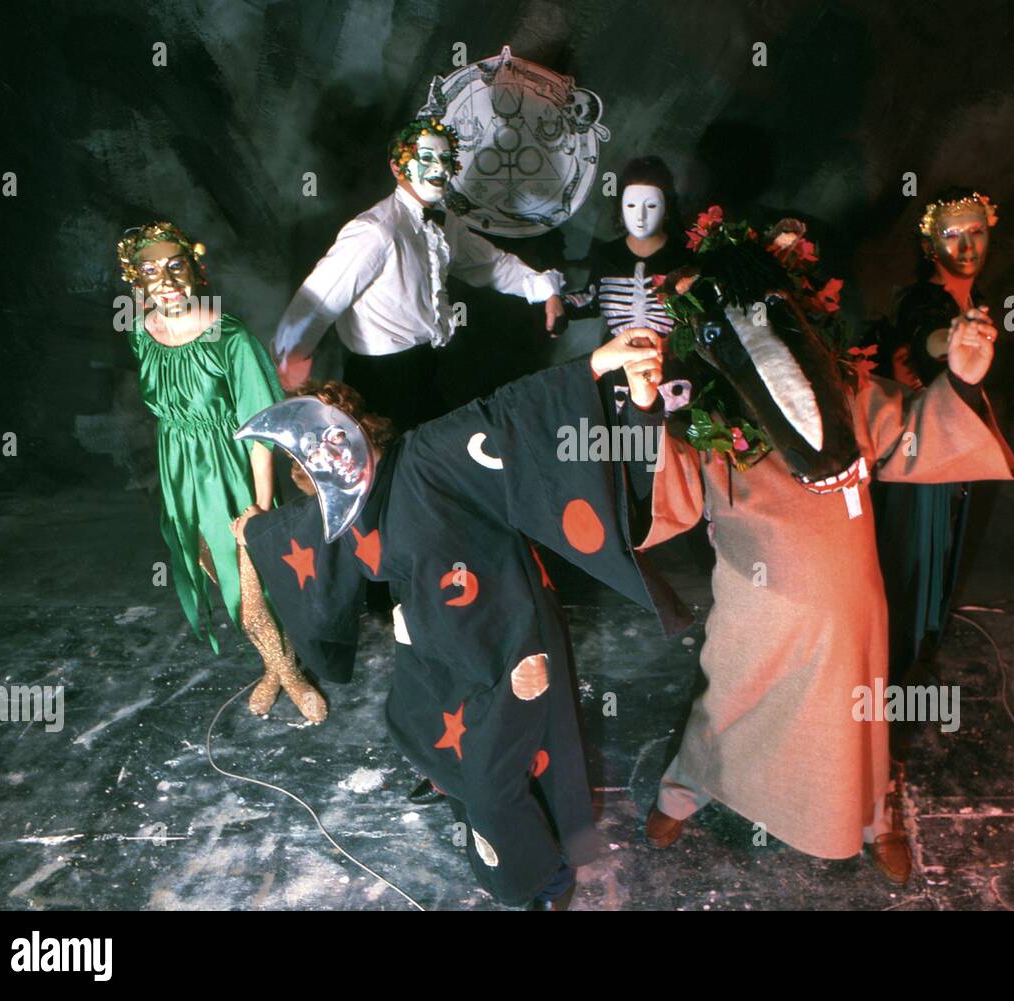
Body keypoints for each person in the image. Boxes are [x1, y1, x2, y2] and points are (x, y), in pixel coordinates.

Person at [237, 330, 688, 909]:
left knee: (492, 784)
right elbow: (300, 531)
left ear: (359, 435)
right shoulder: (341, 504)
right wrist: (251, 529)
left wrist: (599, 365)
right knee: (416, 723)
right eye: (314, 470)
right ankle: (451, 780)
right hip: (434, 638)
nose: (330, 472)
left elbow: (506, 415)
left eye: (333, 452)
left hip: (508, 638)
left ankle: (540, 879)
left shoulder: (432, 454)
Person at [635, 213, 1014, 885]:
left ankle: (872, 818)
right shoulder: (713, 418)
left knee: (857, 717)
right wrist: (643, 410)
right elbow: (671, 496)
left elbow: (914, 435)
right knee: (727, 702)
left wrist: (959, 378)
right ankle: (684, 790)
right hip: (759, 607)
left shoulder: (845, 390)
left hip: (850, 610)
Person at [118, 222, 325, 723]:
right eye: (150, 271)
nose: (164, 280)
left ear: (195, 270)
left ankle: (291, 679)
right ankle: (274, 668)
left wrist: (257, 508)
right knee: (223, 583)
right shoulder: (140, 333)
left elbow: (260, 430)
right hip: (183, 480)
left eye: (175, 266)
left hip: (233, 477)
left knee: (252, 595)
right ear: (135, 281)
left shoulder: (228, 336)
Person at [271, 116, 567, 432]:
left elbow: (491, 265)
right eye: (425, 159)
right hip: (378, 380)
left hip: (427, 367)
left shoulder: (446, 223)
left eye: (444, 158)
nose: (438, 168)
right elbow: (320, 296)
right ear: (397, 169)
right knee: (389, 469)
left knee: (431, 461)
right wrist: (292, 356)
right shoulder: (376, 231)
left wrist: (546, 290)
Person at [873, 188, 1000, 685]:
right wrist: (956, 338)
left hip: (945, 453)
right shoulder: (924, 300)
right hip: (915, 459)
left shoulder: (972, 298)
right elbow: (930, 334)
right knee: (908, 570)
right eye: (952, 235)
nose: (966, 246)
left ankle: (907, 672)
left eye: (976, 232)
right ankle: (887, 691)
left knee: (934, 565)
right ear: (929, 245)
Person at [564, 156, 696, 416]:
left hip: (673, 375)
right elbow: (591, 299)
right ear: (621, 207)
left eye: (651, 205)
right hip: (616, 373)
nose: (641, 215)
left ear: (666, 208)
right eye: (632, 204)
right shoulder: (607, 255)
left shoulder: (687, 258)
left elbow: (702, 318)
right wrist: (558, 304)